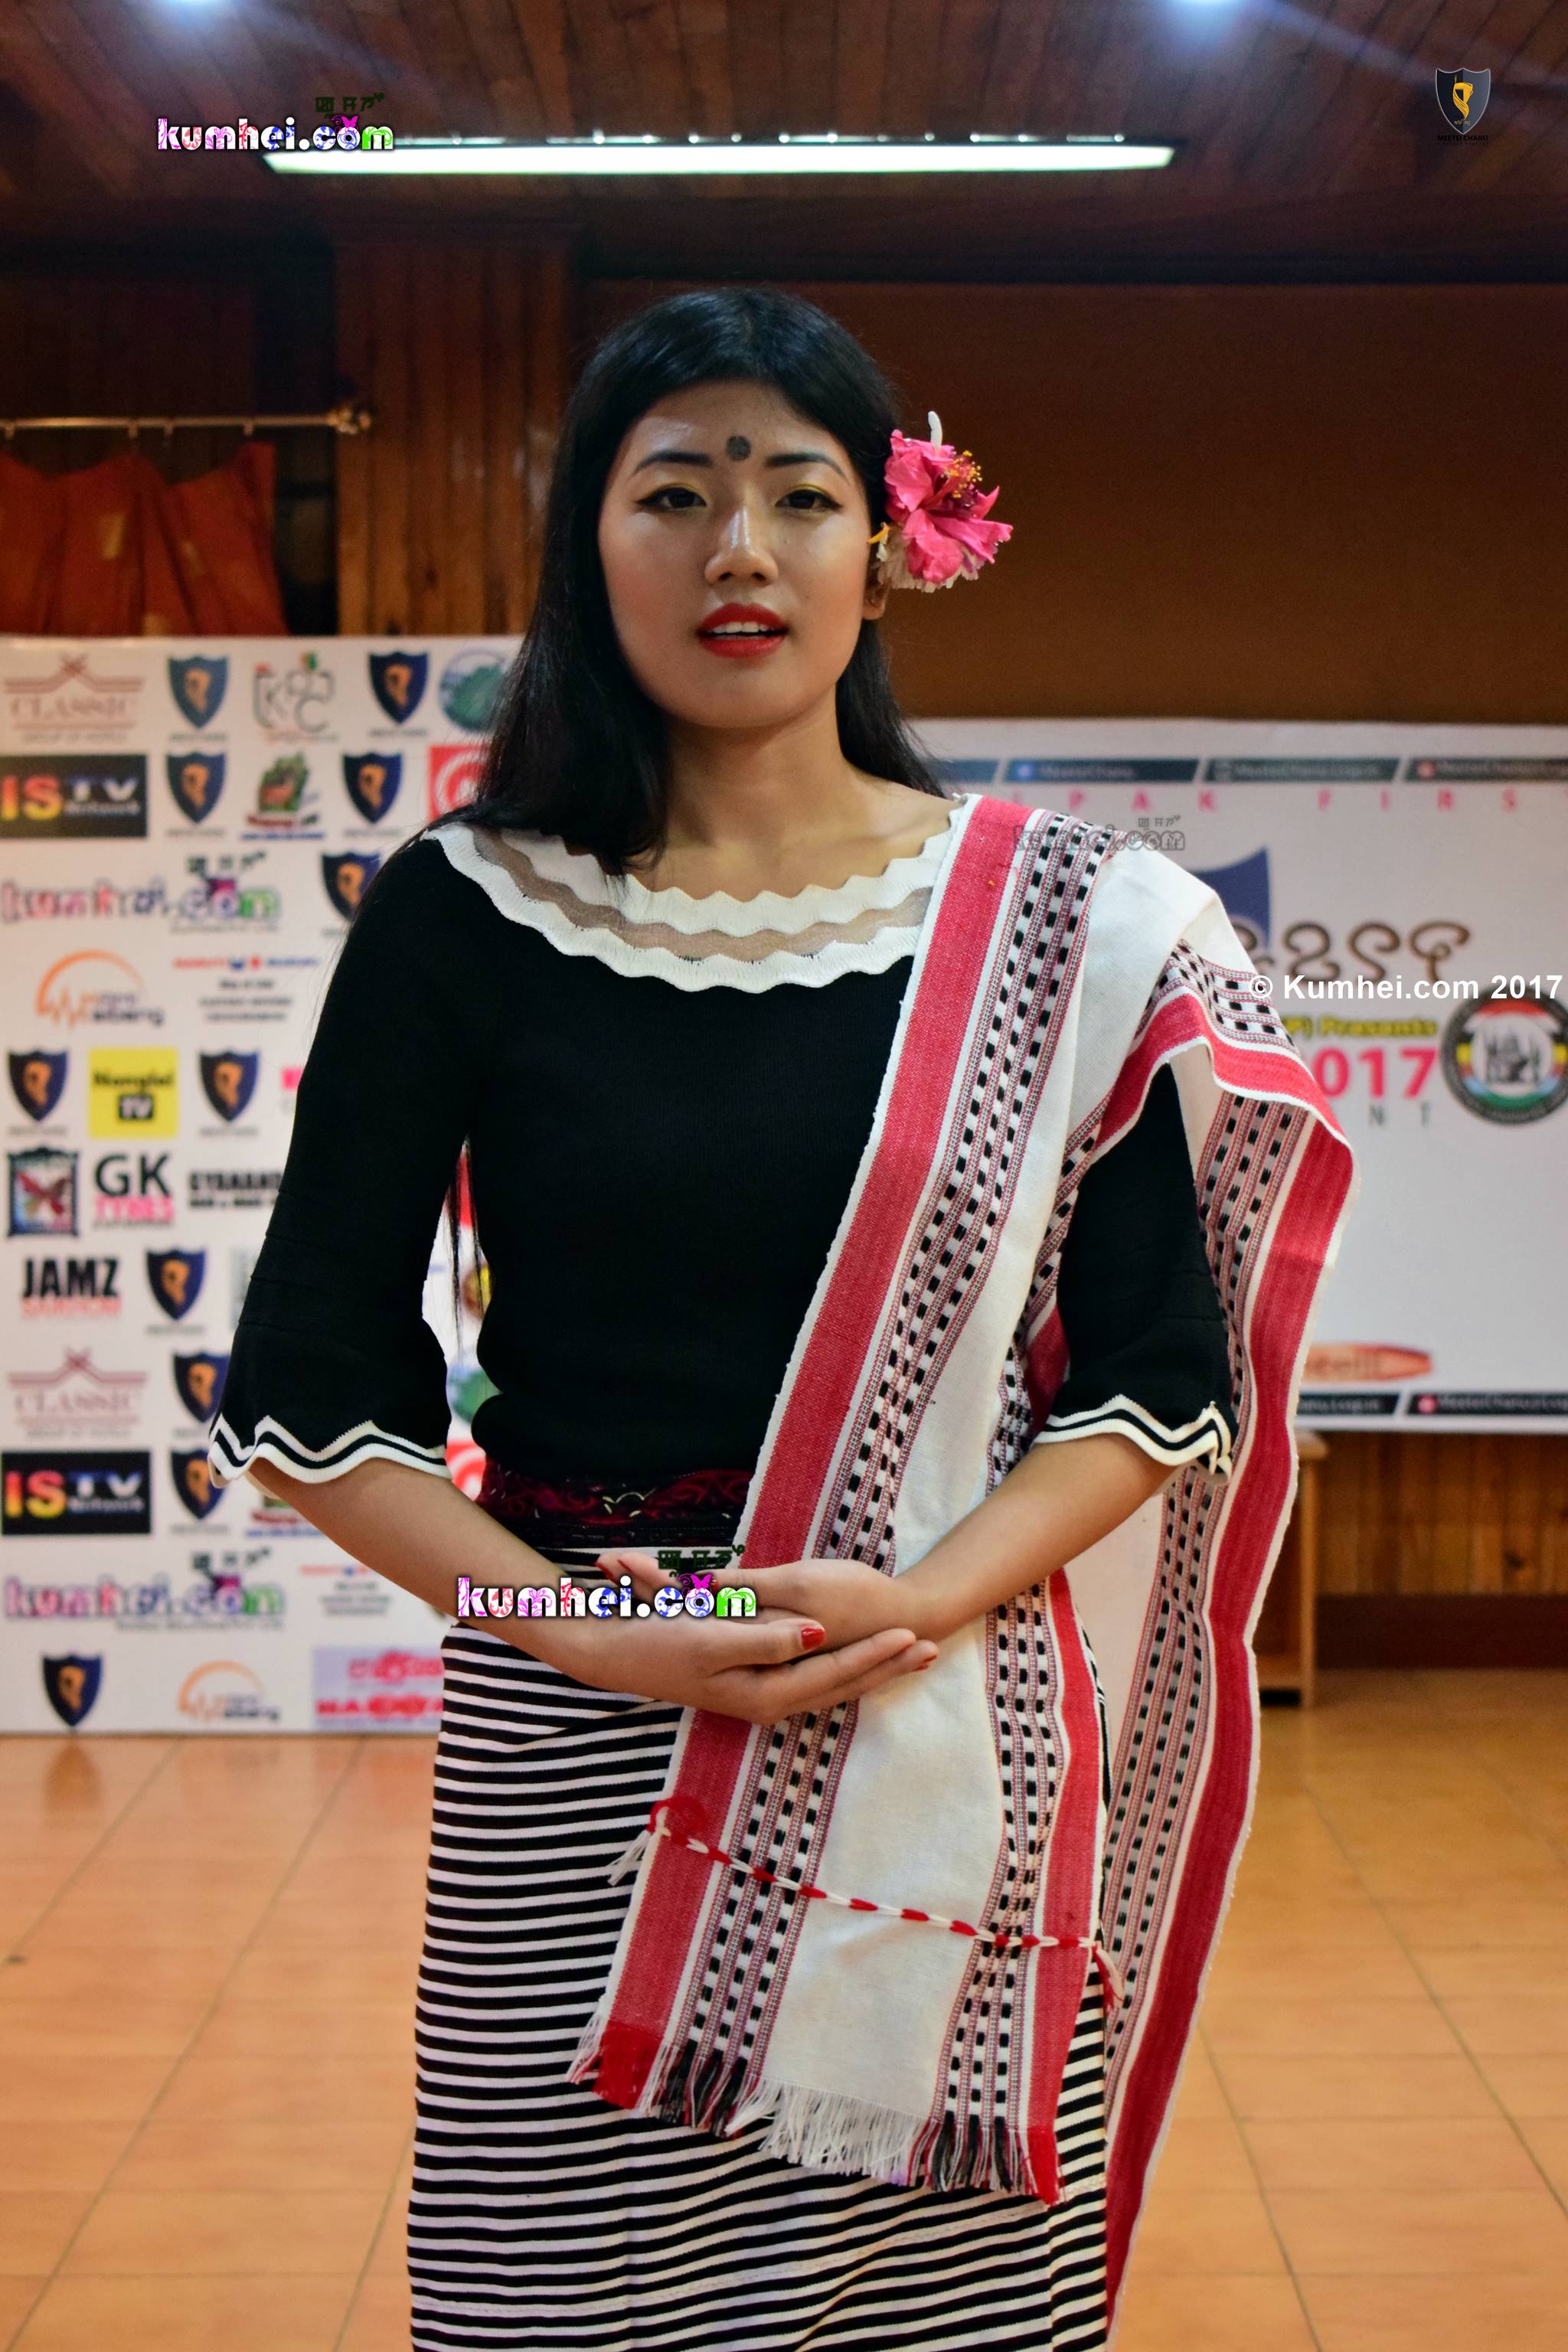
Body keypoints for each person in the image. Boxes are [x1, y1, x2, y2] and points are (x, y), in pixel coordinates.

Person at [207, 288, 1354, 2352]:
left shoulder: (1068, 922)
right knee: (565, 2296)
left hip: (943, 1732)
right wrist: (583, 1629)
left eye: (799, 494)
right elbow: (311, 1397)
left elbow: (1160, 1385)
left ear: (884, 551)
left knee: (937, 2312)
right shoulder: (464, 915)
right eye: (674, 492)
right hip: (580, 1743)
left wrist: (926, 1599)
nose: (738, 548)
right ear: (589, 548)